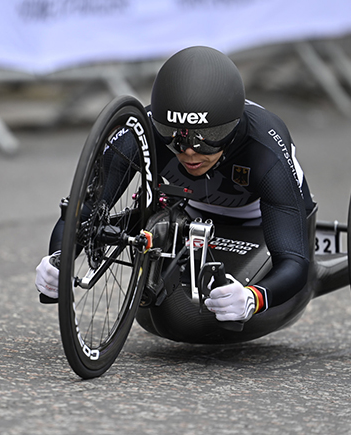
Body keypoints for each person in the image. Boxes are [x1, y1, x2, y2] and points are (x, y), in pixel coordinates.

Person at [35, 46, 315, 344]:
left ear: (232, 127)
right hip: (191, 208)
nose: (190, 150)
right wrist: (59, 259)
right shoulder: (143, 130)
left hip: (259, 220)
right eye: (174, 133)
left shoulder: (264, 150)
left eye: (209, 137)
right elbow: (84, 208)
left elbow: (295, 262)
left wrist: (255, 298)